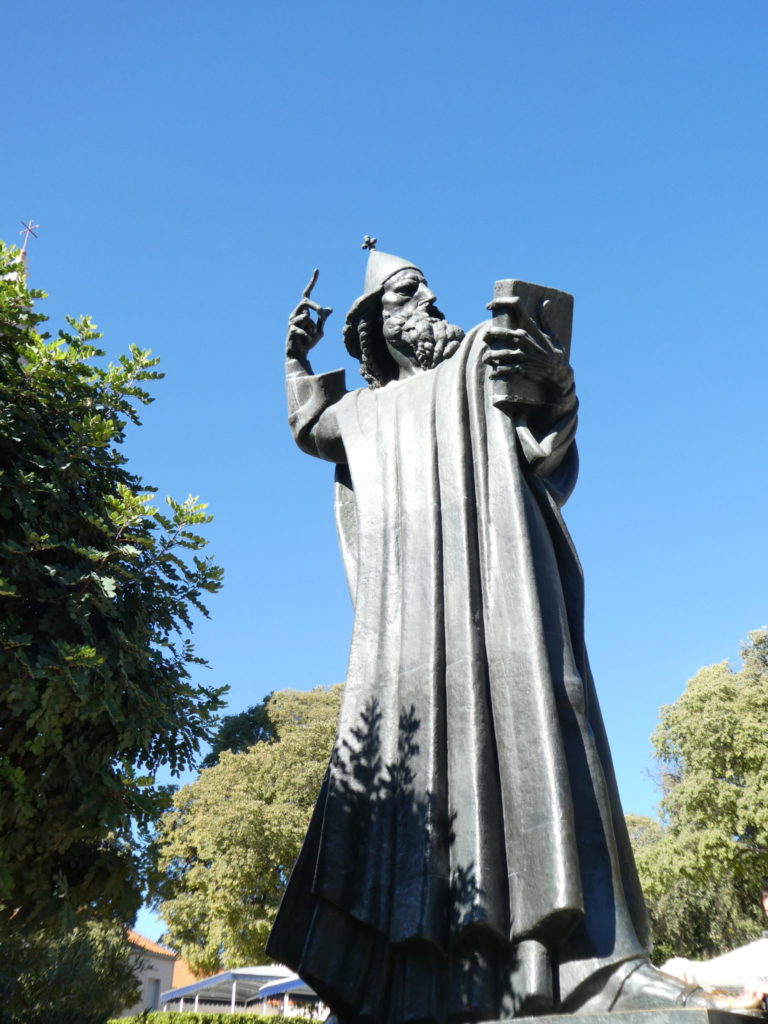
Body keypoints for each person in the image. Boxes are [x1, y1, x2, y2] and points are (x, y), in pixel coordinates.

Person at [267, 246, 720, 1022]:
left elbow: (540, 414)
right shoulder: (368, 415)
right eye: (412, 292)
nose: (434, 298)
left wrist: (555, 380)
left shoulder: (480, 356)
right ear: (380, 324)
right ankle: (403, 985)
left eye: (428, 287)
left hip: (504, 585)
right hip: (409, 620)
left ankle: (598, 968)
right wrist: (294, 358)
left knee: (550, 718)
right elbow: (313, 427)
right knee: (406, 772)